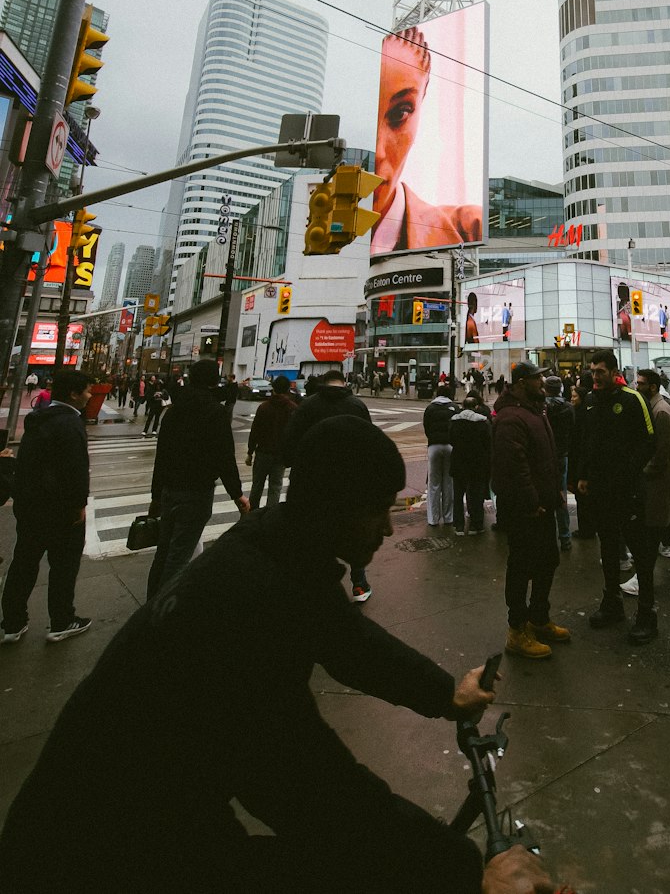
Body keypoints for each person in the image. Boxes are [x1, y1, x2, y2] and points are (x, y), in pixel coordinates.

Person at [0, 417, 560, 893]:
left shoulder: (276, 545)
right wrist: (468, 872)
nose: (389, 527)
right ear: (337, 504)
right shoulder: (253, 601)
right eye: (377, 510)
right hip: (96, 851)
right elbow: (313, 787)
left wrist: (444, 694)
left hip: (149, 815)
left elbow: (348, 642)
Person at [1, 370, 94, 645]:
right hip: (61, 510)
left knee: (24, 563)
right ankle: (61, 621)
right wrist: (79, 505)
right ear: (74, 394)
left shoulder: (38, 418)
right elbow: (76, 470)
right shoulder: (71, 423)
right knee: (64, 566)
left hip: (31, 506)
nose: (90, 396)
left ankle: (12, 623)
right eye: (87, 391)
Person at [370, 26, 483, 251]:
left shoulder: (470, 229)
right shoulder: (314, 229)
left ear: (423, 98)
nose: (379, 152)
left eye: (400, 113)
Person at [145, 359, 250, 600]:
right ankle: (161, 612)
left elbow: (161, 456)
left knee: (164, 552)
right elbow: (225, 457)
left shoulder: (173, 412)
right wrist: (237, 495)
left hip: (169, 490)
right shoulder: (215, 412)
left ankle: (151, 602)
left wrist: (155, 495)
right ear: (214, 381)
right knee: (179, 556)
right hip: (196, 492)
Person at [493, 362, 568, 659]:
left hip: (542, 504)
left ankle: (539, 619)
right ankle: (517, 630)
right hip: (526, 509)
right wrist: (531, 501)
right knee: (522, 566)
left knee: (547, 561)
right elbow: (514, 466)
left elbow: (543, 459)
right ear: (522, 383)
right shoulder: (512, 417)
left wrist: (552, 496)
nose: (543, 381)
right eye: (537, 378)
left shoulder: (536, 410)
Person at [577, 350, 655, 632]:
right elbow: (586, 441)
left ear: (613, 372)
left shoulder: (632, 399)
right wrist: (583, 475)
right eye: (592, 371)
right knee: (608, 548)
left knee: (641, 552)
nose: (594, 376)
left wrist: (628, 474)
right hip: (601, 492)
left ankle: (647, 613)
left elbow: (649, 440)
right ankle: (612, 604)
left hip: (629, 492)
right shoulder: (589, 401)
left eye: (599, 371)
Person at [283, 365, 376, 601]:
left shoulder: (308, 406)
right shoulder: (357, 406)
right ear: (344, 383)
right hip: (349, 480)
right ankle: (359, 584)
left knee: (314, 534)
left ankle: (316, 586)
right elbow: (371, 444)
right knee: (352, 530)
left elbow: (289, 443)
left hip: (312, 482)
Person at [619, 371, 670, 643]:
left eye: (640, 384)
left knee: (653, 542)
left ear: (652, 386)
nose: (637, 387)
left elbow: (662, 455)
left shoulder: (661, 412)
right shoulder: (653, 407)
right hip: (654, 488)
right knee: (656, 540)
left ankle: (647, 612)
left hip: (657, 488)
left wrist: (641, 472)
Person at [246, 375, 298, 509]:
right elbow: (294, 434)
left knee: (257, 485)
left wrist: (250, 452)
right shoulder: (292, 408)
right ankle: (269, 516)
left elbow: (255, 431)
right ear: (287, 390)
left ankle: (251, 515)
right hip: (280, 455)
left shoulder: (264, 407)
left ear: (273, 389)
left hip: (263, 452)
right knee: (275, 487)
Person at [449, 395, 492, 535]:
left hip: (458, 461)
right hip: (476, 462)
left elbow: (451, 439)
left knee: (458, 494)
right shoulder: (482, 422)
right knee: (476, 494)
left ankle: (459, 526)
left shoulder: (454, 421)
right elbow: (488, 443)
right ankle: (476, 525)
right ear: (476, 407)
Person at [543, 375, 574, 552]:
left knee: (544, 494)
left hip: (545, 454)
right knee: (561, 494)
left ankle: (548, 537)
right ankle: (565, 537)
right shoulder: (569, 407)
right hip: (562, 454)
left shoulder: (541, 407)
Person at [424, 380, 460, 527]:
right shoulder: (455, 407)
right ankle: (448, 517)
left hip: (434, 446)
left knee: (434, 483)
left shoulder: (430, 408)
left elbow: (426, 428)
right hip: (450, 446)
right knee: (448, 482)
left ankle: (433, 518)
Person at [567, 378, 596, 539]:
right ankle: (587, 527)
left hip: (581, 465)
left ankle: (586, 529)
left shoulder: (581, 416)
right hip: (580, 463)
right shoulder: (578, 413)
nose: (571, 399)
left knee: (583, 498)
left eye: (574, 397)